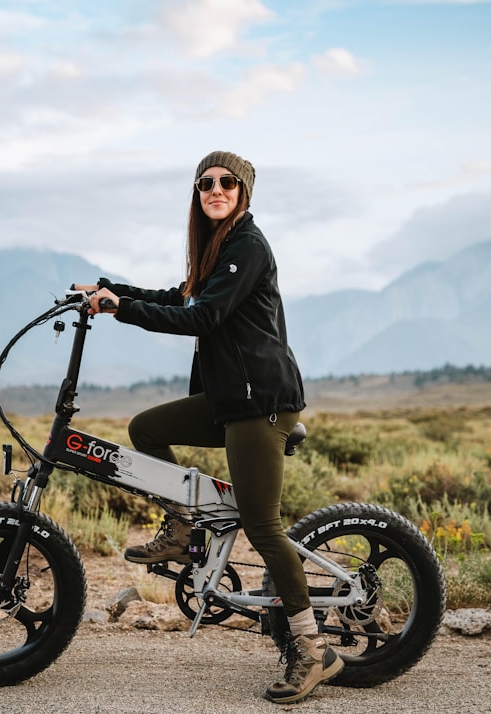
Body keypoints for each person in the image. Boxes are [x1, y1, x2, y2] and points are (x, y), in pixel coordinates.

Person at [76, 150, 343, 704]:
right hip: (227, 398)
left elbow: (201, 316)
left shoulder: (248, 246)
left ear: (244, 191)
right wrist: (112, 294)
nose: (215, 190)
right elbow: (180, 297)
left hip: (260, 403)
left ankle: (312, 651)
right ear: (197, 193)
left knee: (262, 525)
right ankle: (184, 529)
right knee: (146, 429)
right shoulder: (215, 249)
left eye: (227, 183)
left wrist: (120, 310)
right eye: (205, 183)